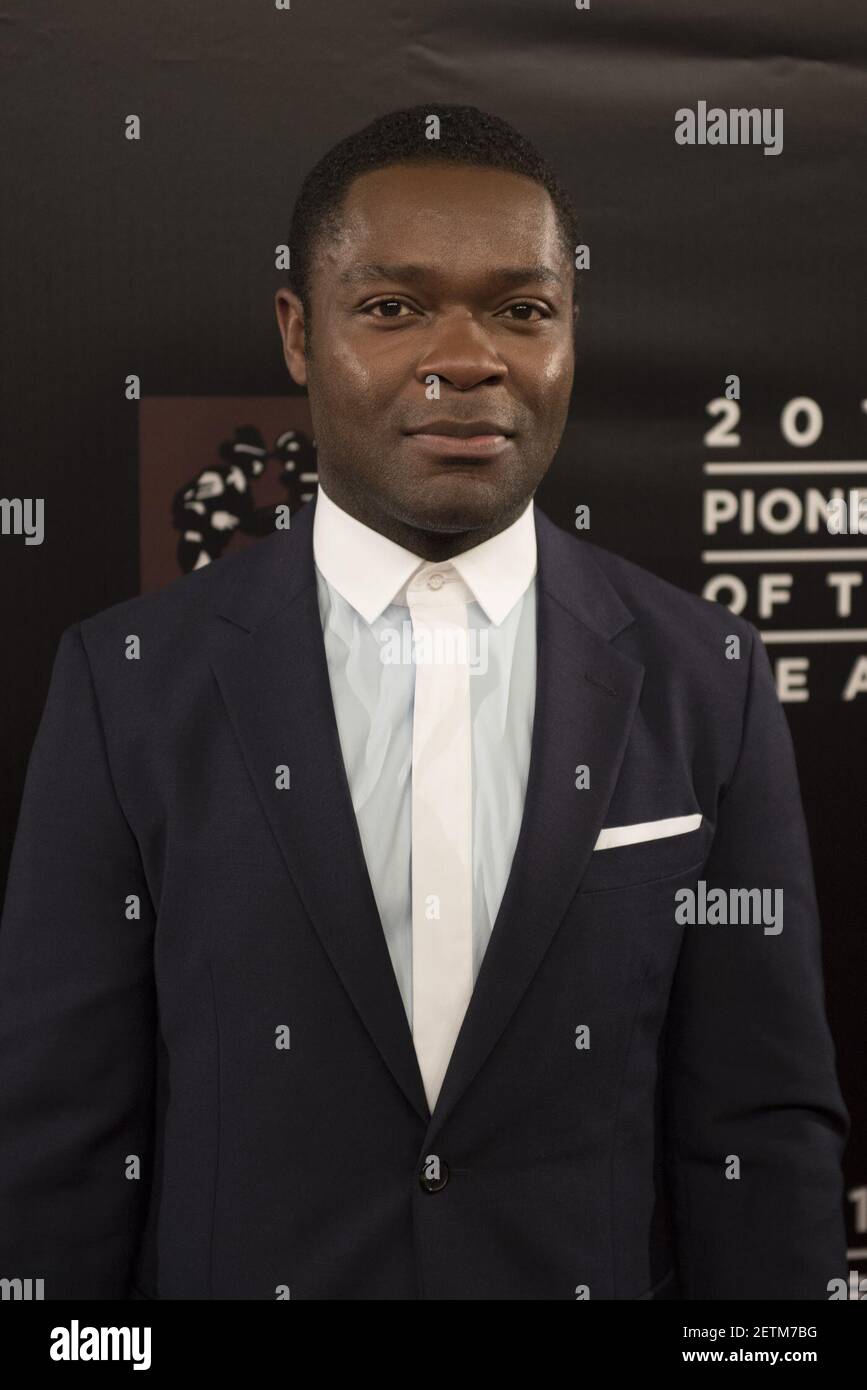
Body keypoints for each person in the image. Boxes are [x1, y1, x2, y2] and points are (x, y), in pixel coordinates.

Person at [0, 104, 848, 1300]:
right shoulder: (127, 683)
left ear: (569, 333)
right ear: (300, 333)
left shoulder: (707, 674)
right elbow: (60, 1142)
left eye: (521, 309)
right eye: (394, 309)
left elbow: (757, 1134)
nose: (468, 356)